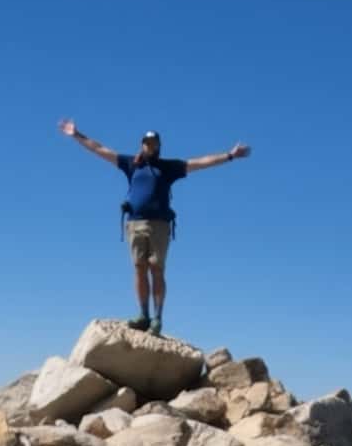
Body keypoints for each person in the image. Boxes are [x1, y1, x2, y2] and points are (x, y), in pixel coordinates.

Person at [60, 120, 250, 332]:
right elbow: (100, 149)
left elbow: (200, 162)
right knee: (139, 269)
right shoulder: (132, 164)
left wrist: (230, 155)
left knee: (156, 269)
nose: (150, 146)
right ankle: (143, 315)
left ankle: (157, 318)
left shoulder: (168, 168)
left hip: (159, 225)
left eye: (154, 143)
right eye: (147, 142)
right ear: (142, 145)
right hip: (135, 224)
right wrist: (77, 134)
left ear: (159, 146)